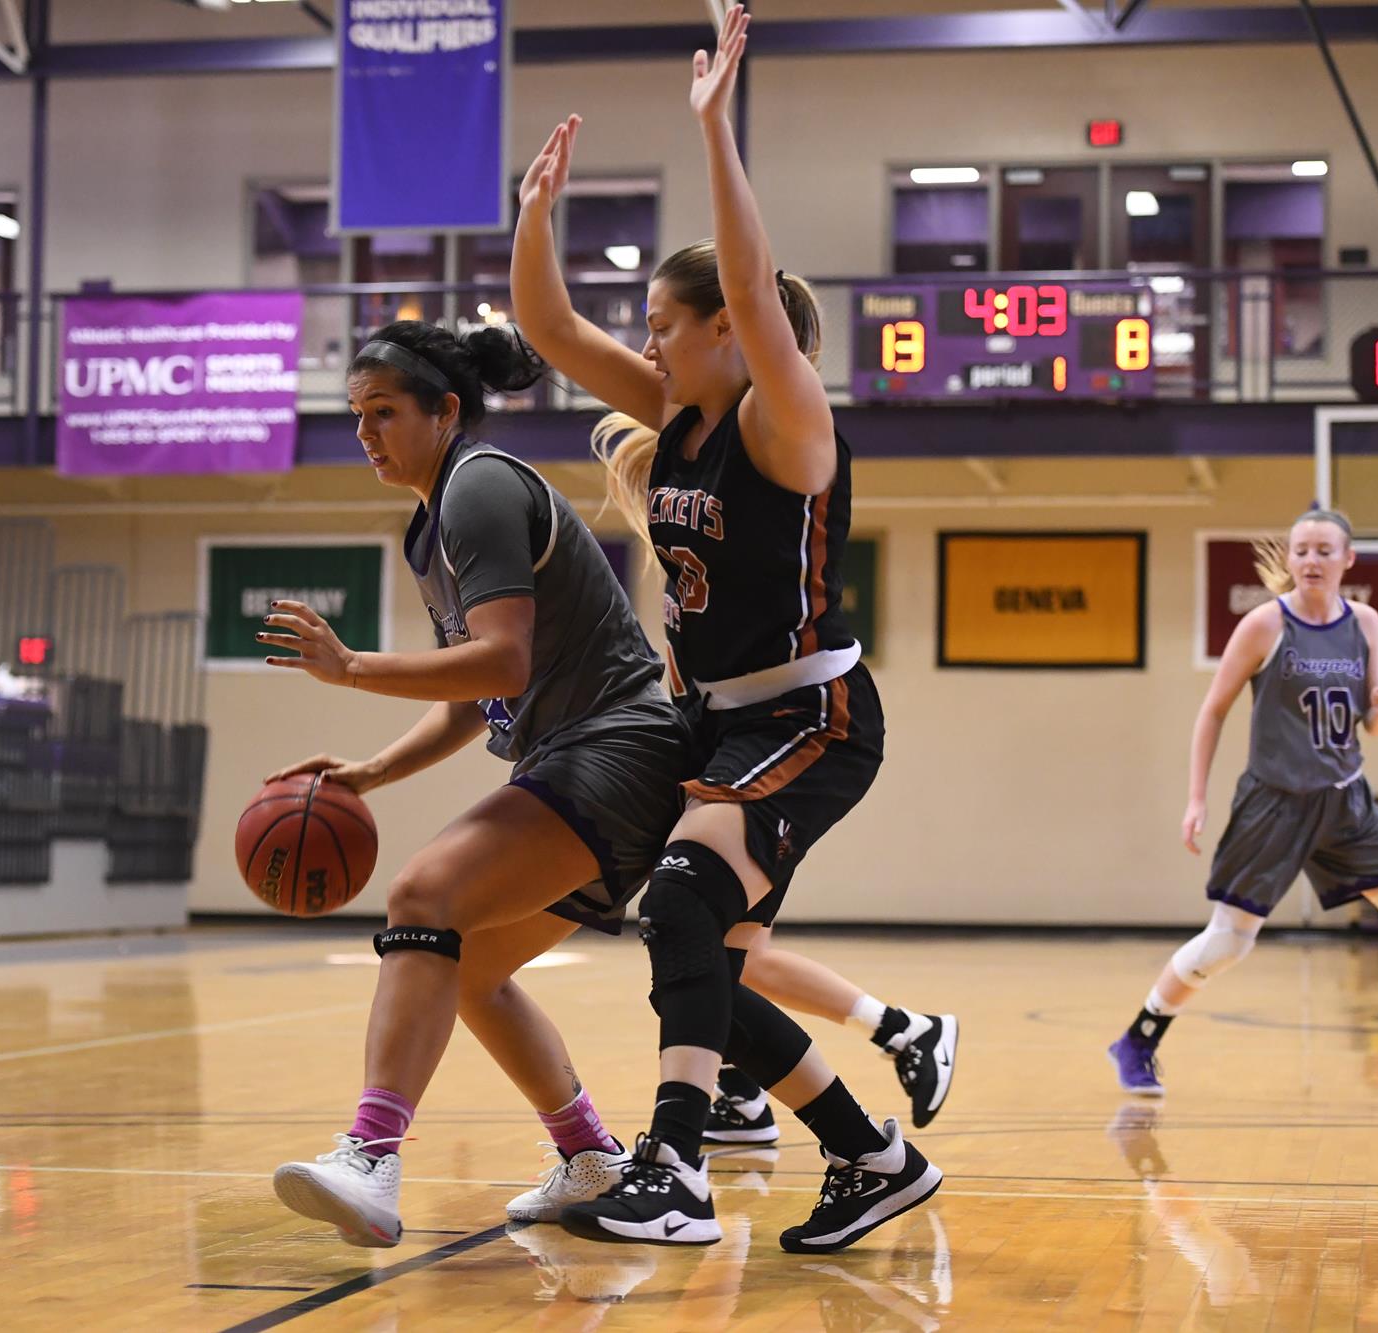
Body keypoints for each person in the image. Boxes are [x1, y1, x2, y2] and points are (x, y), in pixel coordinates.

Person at [512, 6, 941, 1254]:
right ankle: (871, 1156)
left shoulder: (782, 424)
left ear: (723, 334)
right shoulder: (678, 415)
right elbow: (548, 332)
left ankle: (675, 1169)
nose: (646, 337)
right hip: (718, 718)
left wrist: (715, 126)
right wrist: (533, 217)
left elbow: (752, 283)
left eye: (662, 319)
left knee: (686, 896)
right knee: (709, 953)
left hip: (811, 714)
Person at [265, 322, 691, 1249]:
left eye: (384, 412)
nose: (367, 432)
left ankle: (372, 1155)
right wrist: (370, 771)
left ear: (445, 410)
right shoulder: (438, 521)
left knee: (423, 893)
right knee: (477, 971)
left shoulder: (481, 486)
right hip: (593, 759)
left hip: (615, 748)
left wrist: (350, 670)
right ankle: (590, 1157)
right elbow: (474, 698)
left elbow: (501, 663)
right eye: (356, 415)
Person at [1106, 509, 1378, 1106]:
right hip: (1273, 804)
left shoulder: (1368, 624)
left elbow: (1374, 726)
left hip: (1346, 803)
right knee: (1229, 943)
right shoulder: (1263, 625)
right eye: (1301, 549)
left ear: (1347, 561)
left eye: (1324, 550)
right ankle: (1138, 1038)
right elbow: (1214, 710)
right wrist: (1196, 797)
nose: (1310, 560)